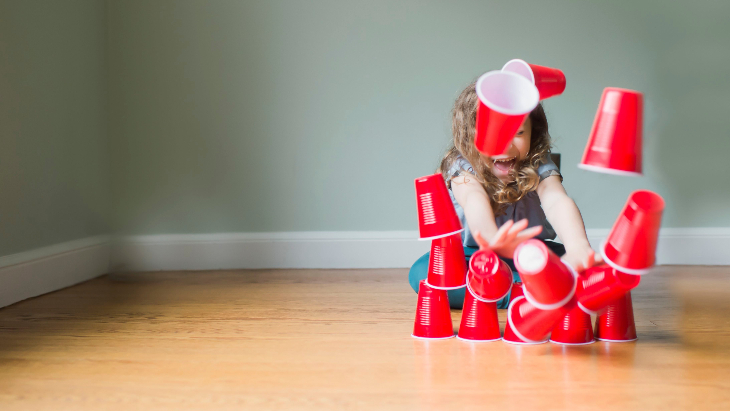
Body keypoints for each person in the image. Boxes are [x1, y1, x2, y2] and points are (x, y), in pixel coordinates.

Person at [409, 78, 601, 309]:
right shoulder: (461, 165)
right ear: (469, 136)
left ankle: (521, 289)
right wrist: (491, 238)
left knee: (587, 269)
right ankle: (531, 292)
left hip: (531, 253)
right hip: (473, 256)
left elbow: (556, 200)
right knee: (425, 275)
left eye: (519, 132)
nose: (506, 146)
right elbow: (473, 198)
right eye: (492, 134)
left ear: (533, 132)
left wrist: (578, 246)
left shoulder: (538, 161)